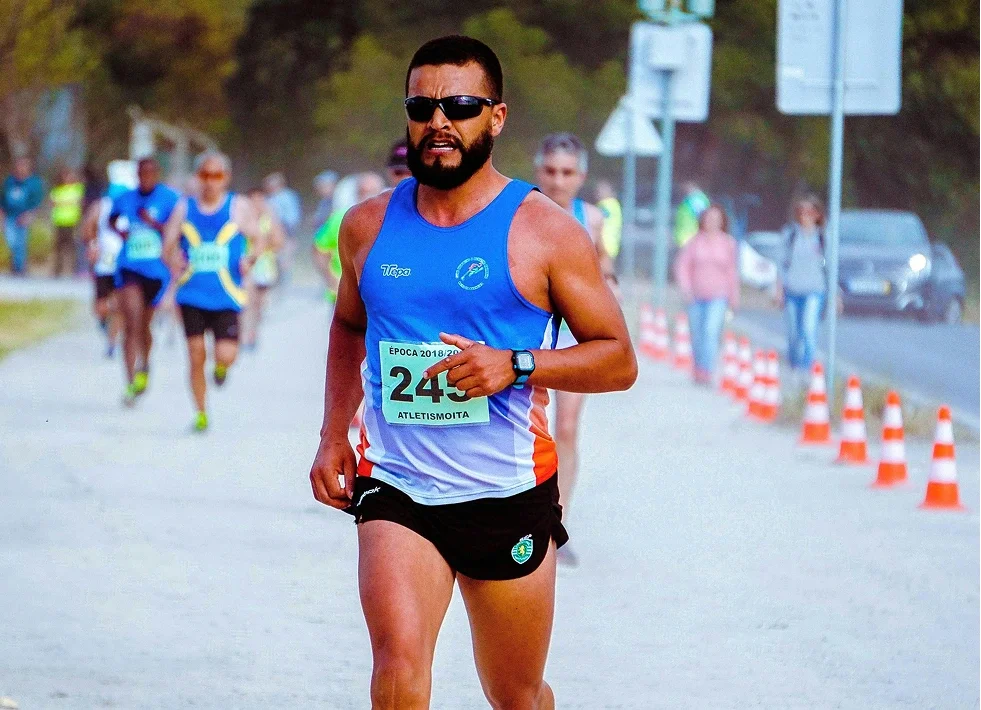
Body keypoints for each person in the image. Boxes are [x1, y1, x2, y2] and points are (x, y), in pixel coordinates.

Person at [308, 35, 636, 710]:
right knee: (397, 666)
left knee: (515, 694)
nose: (439, 122)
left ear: (496, 116)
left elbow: (617, 359)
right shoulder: (366, 225)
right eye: (421, 107)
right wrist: (333, 433)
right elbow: (348, 324)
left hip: (505, 491)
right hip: (397, 485)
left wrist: (515, 365)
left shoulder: (545, 231)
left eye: (459, 106)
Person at [534, 132, 615, 568]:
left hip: (572, 335)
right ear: (539, 170)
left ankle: (556, 525)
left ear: (581, 176)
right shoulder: (522, 209)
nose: (558, 180)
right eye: (551, 171)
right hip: (529, 332)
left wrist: (609, 282)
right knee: (528, 426)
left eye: (567, 172)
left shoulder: (593, 217)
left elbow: (602, 263)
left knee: (566, 427)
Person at [163, 151, 261, 432]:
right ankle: (201, 413)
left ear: (225, 178)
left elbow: (257, 238)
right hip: (191, 293)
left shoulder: (238, 206)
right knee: (195, 354)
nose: (210, 181)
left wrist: (250, 259)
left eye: (216, 175)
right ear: (198, 177)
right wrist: (173, 260)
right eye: (205, 175)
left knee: (226, 354)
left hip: (227, 295)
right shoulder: (184, 207)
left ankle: (221, 368)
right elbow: (167, 244)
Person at [111, 157, 180, 405]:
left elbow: (177, 229)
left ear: (157, 174)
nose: (146, 178)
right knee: (131, 322)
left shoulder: (170, 199)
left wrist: (154, 225)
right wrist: (121, 232)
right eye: (142, 174)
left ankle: (145, 363)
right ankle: (130, 383)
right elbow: (111, 219)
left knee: (144, 326)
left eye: (150, 173)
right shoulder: (126, 198)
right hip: (130, 267)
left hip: (157, 271)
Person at [673, 203, 740, 385]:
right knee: (697, 334)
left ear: (722, 222)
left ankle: (706, 370)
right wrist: (686, 289)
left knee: (710, 331)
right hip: (695, 296)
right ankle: (697, 367)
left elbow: (732, 272)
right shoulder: (695, 242)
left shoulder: (728, 243)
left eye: (716, 219)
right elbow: (682, 266)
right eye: (709, 219)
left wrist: (734, 296)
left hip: (719, 296)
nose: (712, 222)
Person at [312, 172, 385, 304]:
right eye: (363, 192)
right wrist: (330, 278)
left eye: (373, 192)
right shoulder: (340, 218)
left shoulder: (392, 220)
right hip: (343, 297)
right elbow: (319, 249)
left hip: (378, 299)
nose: (368, 196)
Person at [777, 194, 828, 373]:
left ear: (817, 214)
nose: (806, 216)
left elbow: (830, 267)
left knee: (808, 329)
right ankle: (793, 363)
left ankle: (806, 368)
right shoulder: (790, 235)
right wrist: (779, 289)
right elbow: (781, 264)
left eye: (810, 212)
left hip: (814, 290)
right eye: (802, 212)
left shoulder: (823, 237)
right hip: (792, 290)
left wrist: (835, 294)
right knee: (793, 333)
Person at [81, 182, 128, 357]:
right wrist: (92, 245)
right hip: (104, 264)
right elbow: (87, 229)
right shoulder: (101, 206)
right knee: (101, 306)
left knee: (118, 306)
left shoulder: (131, 206)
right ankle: (104, 323)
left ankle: (112, 342)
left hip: (122, 264)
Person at [241, 186, 285, 350]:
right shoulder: (242, 219)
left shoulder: (269, 219)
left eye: (260, 200)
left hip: (265, 266)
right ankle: (244, 334)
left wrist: (264, 241)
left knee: (259, 304)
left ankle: (253, 333)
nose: (256, 204)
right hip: (247, 265)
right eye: (253, 201)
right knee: (247, 301)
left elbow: (279, 242)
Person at [1, 157, 44, 275]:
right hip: (10, 216)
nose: (20, 168)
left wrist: (30, 215)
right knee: (11, 241)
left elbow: (37, 201)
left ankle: (19, 268)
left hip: (24, 216)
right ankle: (15, 264)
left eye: (23, 166)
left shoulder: (34, 182)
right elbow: (3, 199)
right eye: (18, 165)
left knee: (21, 243)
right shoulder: (10, 181)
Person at [50, 168, 85, 277]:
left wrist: (63, 203)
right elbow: (53, 202)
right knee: (59, 246)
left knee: (73, 246)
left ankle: (75, 269)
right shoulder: (57, 190)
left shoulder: (77, 188)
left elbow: (80, 201)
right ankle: (58, 269)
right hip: (60, 221)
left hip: (73, 221)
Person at [673, 180, 710, 248]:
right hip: (687, 239)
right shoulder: (690, 199)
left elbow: (703, 220)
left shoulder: (696, 200)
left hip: (690, 239)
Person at [594, 179, 623, 264]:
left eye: (601, 190)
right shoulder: (614, 204)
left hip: (605, 245)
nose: (598, 193)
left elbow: (595, 218)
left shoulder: (606, 204)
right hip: (611, 245)